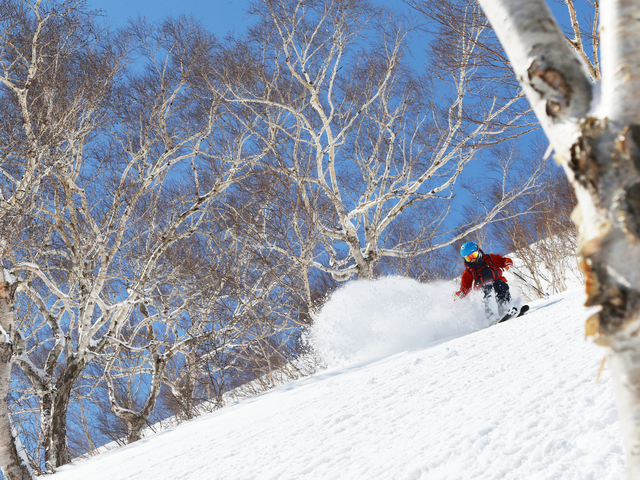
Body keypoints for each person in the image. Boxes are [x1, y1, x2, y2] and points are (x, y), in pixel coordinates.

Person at [454, 241, 514, 320]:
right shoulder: (469, 271)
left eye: (474, 255)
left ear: (478, 251)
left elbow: (502, 260)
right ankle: (491, 316)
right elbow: (466, 285)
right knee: (486, 290)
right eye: (468, 258)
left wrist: (507, 264)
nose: (472, 259)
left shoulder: (490, 258)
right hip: (482, 286)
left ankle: (505, 308)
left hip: (497, 280)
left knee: (499, 285)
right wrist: (461, 293)